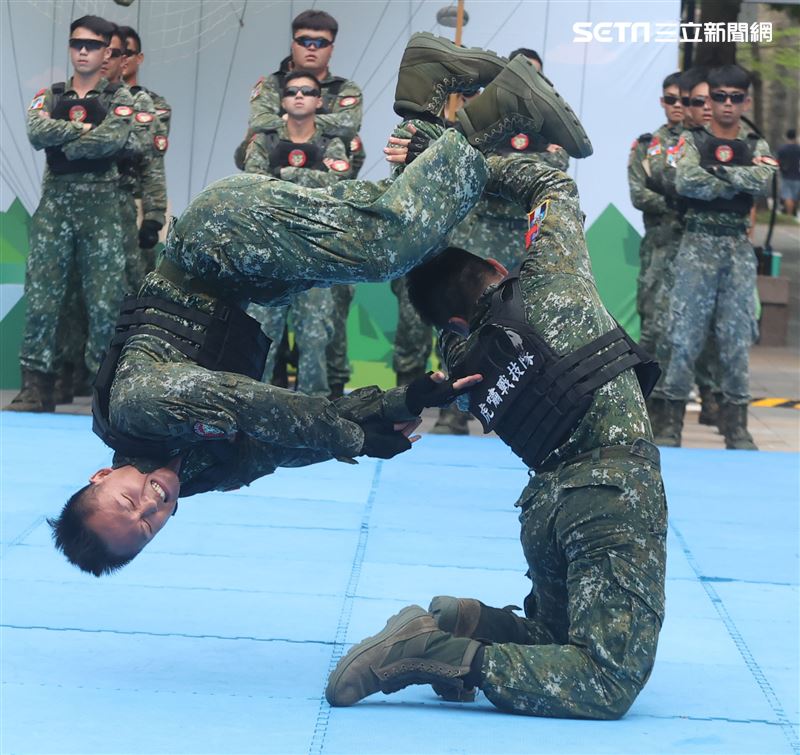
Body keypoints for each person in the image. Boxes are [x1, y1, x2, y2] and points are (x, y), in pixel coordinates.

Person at [47, 32, 592, 578]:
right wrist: (395, 405)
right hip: (250, 277)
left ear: (99, 477)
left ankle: (502, 108)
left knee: (386, 247)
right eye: (146, 525)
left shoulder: (133, 410)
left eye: (126, 502)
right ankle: (427, 87)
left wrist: (349, 433)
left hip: (217, 246)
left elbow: (243, 402)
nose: (150, 504)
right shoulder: (204, 472)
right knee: (408, 223)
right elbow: (280, 446)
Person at [326, 116, 665, 720]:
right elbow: (553, 188)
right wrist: (464, 158)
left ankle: (465, 621)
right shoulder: (553, 277)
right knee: (608, 681)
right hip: (614, 492)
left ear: (450, 327)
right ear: (493, 262)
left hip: (546, 511)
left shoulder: (462, 362)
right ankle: (430, 652)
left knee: (562, 645)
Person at [4, 15, 134, 414]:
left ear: (107, 52)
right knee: (44, 297)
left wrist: (64, 138)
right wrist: (84, 136)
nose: (83, 51)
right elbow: (34, 131)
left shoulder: (121, 99)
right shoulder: (51, 95)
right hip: (56, 206)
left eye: (93, 45)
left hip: (102, 207)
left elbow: (114, 139)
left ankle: (103, 389)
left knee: (104, 303)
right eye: (77, 43)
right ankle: (35, 385)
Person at [650, 65, 777, 449]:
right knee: (683, 334)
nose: (726, 104)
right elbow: (686, 181)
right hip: (697, 243)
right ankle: (671, 422)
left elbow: (762, 182)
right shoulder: (690, 139)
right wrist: (736, 178)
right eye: (719, 96)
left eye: (735, 98)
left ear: (746, 102)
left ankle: (736, 424)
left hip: (736, 249)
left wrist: (715, 174)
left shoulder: (758, 145)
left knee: (735, 337)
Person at [244, 70, 352, 397]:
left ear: (320, 101)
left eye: (307, 91)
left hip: (314, 251)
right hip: (271, 250)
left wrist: (284, 173)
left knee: (314, 336)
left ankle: (314, 408)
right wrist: (307, 176)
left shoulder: (331, 143)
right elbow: (254, 186)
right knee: (262, 332)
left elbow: (338, 187)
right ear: (283, 100)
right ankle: (251, 404)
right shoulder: (265, 140)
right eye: (292, 92)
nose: (300, 96)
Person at [119, 24, 172, 274]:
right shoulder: (91, 99)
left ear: (139, 58)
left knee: (141, 276)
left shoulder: (156, 104)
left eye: (127, 53)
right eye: (114, 52)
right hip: (104, 199)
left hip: (142, 200)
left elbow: (148, 151)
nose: (121, 58)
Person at [777, 129, 800, 218]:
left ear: (786, 137)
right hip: (797, 176)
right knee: (794, 197)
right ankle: (792, 214)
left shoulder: (782, 149)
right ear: (795, 137)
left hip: (786, 175)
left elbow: (778, 162)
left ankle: (789, 216)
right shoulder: (798, 149)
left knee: (787, 196)